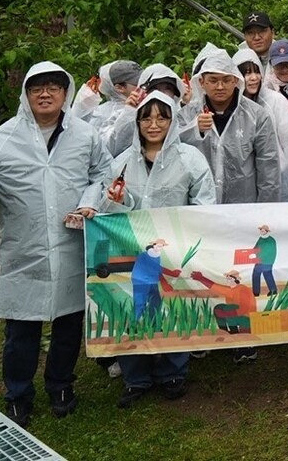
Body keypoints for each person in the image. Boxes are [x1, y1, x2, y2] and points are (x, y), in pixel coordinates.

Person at [0, 62, 111, 427]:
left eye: (54, 87)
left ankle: (60, 385)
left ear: (65, 93)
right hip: (26, 250)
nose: (45, 94)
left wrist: (90, 201)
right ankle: (18, 395)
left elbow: (102, 173)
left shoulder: (84, 136)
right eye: (37, 88)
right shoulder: (2, 138)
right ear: (26, 94)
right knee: (21, 330)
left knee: (69, 323)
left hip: (71, 244)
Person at [99, 90, 215, 407]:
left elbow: (204, 203)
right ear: (136, 122)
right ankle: (136, 377)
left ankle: (172, 372)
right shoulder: (122, 162)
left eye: (161, 117)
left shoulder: (190, 158)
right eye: (146, 117)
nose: (153, 124)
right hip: (131, 251)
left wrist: (190, 237)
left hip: (174, 249)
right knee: (133, 308)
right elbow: (107, 207)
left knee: (173, 307)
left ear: (172, 120)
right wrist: (117, 201)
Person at [180, 46, 281, 206]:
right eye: (213, 80)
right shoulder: (187, 116)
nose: (220, 87)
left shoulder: (257, 116)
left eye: (226, 80)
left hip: (243, 209)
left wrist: (265, 212)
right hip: (199, 208)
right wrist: (194, 129)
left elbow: (269, 169)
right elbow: (171, 151)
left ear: (236, 80)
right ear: (202, 82)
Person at [235, 47, 288, 202]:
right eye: (247, 73)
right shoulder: (231, 107)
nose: (253, 78)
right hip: (243, 182)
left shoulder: (274, 100)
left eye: (256, 72)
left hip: (277, 178)